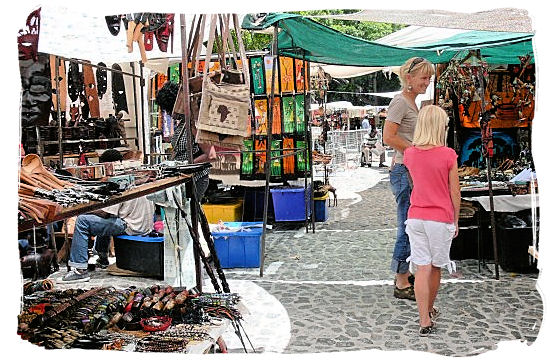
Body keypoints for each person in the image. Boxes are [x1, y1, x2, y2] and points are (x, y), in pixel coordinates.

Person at [402, 105, 460, 336]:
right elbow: (454, 192)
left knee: (421, 267)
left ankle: (424, 318)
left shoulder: (410, 154)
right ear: (440, 127)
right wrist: (455, 219)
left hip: (416, 217)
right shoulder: (447, 155)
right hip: (439, 217)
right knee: (435, 267)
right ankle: (429, 310)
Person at [383, 57, 434, 300]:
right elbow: (388, 136)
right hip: (405, 172)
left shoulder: (411, 103)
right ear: (409, 78)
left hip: (408, 170)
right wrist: (414, 154)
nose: (427, 82)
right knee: (407, 225)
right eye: (424, 77)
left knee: (410, 225)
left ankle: (403, 274)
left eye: (429, 78)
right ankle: (401, 280)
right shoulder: (400, 102)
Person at [61, 150, 155, 283]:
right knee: (101, 220)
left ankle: (79, 270)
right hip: (141, 224)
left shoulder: (118, 180)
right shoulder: (134, 175)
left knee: (83, 220)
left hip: (131, 226)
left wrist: (81, 210)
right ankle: (102, 257)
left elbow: (105, 213)